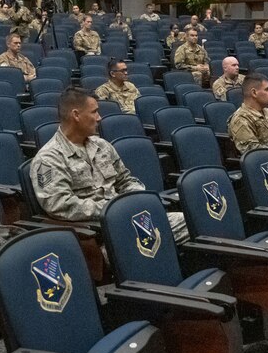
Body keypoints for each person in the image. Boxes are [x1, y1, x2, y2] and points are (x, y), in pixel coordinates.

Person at [30, 88, 187, 240]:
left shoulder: (102, 145)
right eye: (94, 112)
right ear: (76, 115)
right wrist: (114, 209)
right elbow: (59, 205)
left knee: (190, 220)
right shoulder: (49, 158)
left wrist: (139, 199)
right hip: (101, 229)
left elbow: (125, 180)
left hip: (127, 217)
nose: (99, 118)